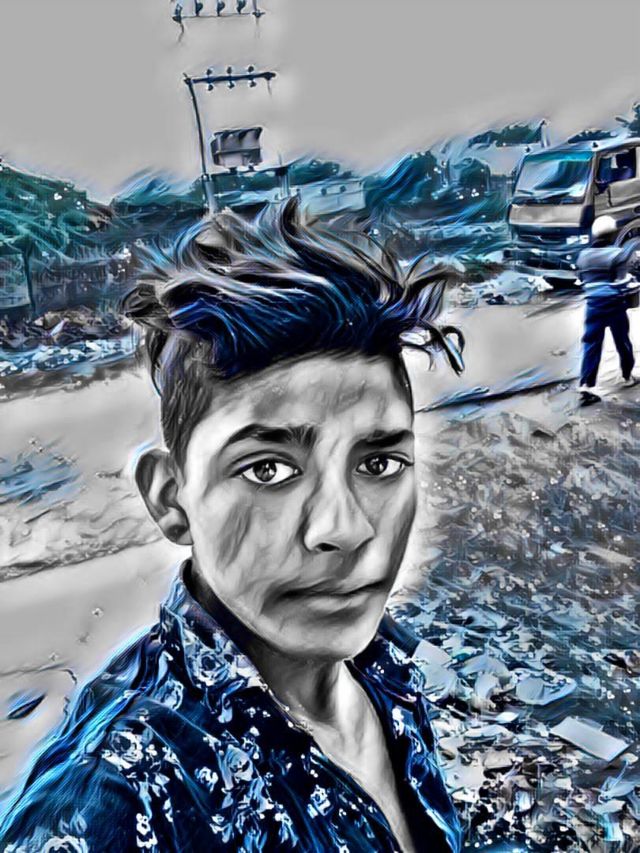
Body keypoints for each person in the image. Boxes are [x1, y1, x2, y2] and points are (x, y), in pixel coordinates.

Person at [0, 200, 464, 853]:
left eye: (379, 463)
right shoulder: (118, 805)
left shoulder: (383, 665)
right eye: (268, 469)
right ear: (171, 498)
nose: (344, 528)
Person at [577, 235, 640, 407]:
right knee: (622, 341)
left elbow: (581, 278)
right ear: (611, 235)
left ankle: (586, 386)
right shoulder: (617, 254)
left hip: (593, 306)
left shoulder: (583, 256)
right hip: (614, 305)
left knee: (591, 344)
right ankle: (627, 376)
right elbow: (623, 281)